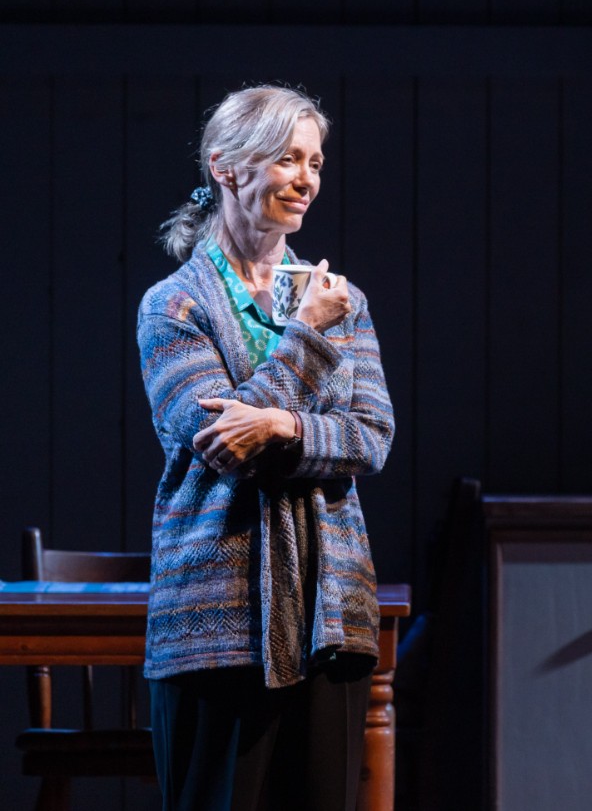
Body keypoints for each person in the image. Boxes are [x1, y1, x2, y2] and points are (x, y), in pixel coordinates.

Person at [137, 85, 395, 811]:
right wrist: (307, 338)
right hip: (215, 623)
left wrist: (282, 426)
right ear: (225, 167)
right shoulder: (175, 305)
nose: (308, 177)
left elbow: (371, 438)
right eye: (287, 158)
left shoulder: (342, 300)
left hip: (327, 612)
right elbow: (220, 445)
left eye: (315, 160)